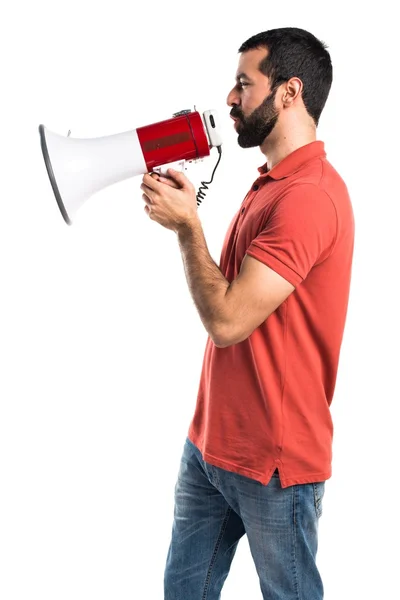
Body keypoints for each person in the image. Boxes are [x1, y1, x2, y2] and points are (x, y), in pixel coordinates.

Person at [140, 26, 354, 600]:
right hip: (211, 445)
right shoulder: (271, 183)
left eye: (244, 83)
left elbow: (229, 320)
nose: (230, 99)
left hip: (274, 465)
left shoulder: (308, 195)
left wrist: (188, 226)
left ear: (289, 92)